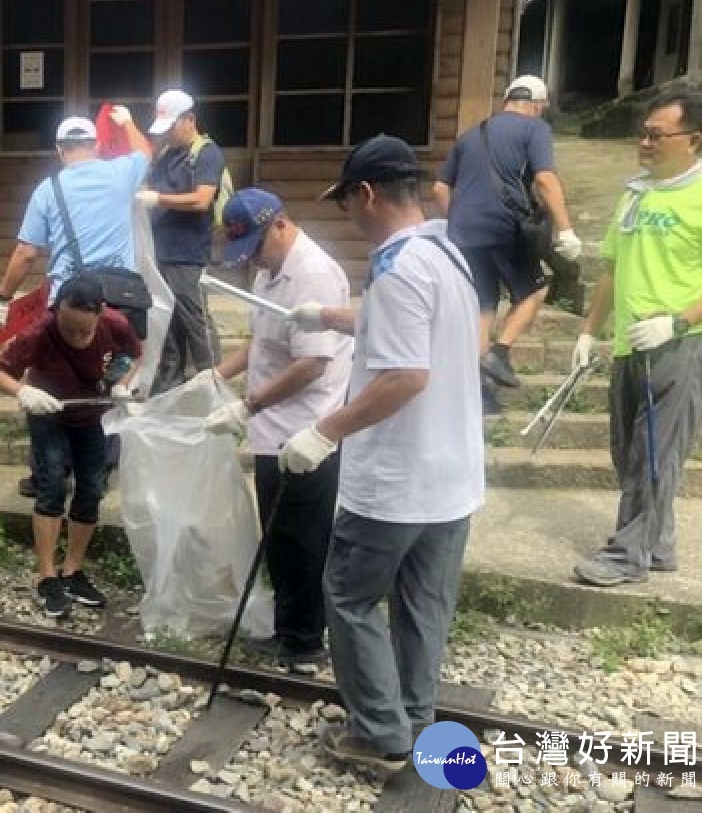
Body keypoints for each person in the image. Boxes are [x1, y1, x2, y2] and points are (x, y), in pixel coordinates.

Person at [282, 135, 483, 771]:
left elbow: (404, 375)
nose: (350, 215)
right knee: (424, 603)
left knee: (349, 595)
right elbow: (408, 324)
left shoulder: (397, 267)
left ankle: (378, 734)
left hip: (396, 480)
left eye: (347, 202)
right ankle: (416, 719)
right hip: (452, 478)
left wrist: (323, 432)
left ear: (367, 194)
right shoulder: (445, 254)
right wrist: (331, 316)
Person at [570, 90, 702, 587]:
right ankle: (657, 544)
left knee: (655, 453)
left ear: (692, 140)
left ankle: (626, 555)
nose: (645, 142)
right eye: (644, 133)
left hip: (685, 344)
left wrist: (677, 320)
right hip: (630, 344)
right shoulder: (636, 194)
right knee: (627, 449)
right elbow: (612, 269)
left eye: (657, 134)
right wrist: (589, 332)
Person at [200, 188, 353, 670]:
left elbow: (313, 363)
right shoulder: (270, 272)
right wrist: (216, 375)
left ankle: (306, 642)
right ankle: (289, 631)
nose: (254, 262)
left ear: (280, 225)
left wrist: (248, 405)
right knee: (280, 536)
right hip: (272, 427)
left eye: (257, 248)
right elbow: (263, 342)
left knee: (304, 540)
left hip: (307, 431)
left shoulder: (312, 273)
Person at [0, 111, 151, 497]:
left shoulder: (49, 189)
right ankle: (99, 468)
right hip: (118, 299)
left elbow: (27, 252)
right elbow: (145, 148)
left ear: (59, 151)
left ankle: (50, 470)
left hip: (68, 303)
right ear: (95, 145)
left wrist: (2, 299)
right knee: (114, 382)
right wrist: (127, 122)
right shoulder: (120, 172)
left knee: (49, 379)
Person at [0, 275, 142, 618]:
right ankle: (47, 576)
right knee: (52, 487)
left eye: (83, 332)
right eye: (69, 329)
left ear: (100, 314)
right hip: (49, 413)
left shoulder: (115, 324)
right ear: (57, 310)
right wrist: (24, 393)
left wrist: (120, 384)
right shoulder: (37, 333)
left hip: (90, 414)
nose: (76, 337)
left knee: (91, 488)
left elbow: (134, 355)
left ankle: (72, 571)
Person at [432, 75, 581, 411]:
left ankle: (478, 392)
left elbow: (440, 190)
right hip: (502, 227)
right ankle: (499, 353)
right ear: (538, 105)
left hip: (461, 233)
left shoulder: (471, 135)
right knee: (535, 290)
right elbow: (544, 178)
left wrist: (459, 221)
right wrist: (566, 229)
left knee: (483, 305)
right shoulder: (535, 129)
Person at [141, 88, 226, 393]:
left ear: (190, 119)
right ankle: (169, 385)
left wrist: (158, 198)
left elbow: (203, 200)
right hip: (160, 250)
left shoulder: (206, 153)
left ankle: (213, 379)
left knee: (194, 318)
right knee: (167, 317)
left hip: (188, 253)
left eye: (172, 127)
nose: (168, 135)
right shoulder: (167, 154)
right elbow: (151, 185)